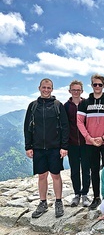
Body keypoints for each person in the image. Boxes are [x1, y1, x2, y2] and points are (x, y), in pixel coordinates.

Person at [24, 78, 69, 218]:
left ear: (52, 89)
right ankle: (42, 202)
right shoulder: (33, 106)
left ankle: (58, 202)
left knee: (56, 175)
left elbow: (65, 127)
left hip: (55, 147)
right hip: (38, 147)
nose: (46, 90)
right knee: (42, 175)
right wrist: (28, 146)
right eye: (44, 87)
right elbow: (27, 128)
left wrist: (64, 146)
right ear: (39, 88)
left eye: (49, 88)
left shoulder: (57, 105)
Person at [77, 74, 104, 210]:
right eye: (95, 84)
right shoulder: (84, 103)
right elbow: (79, 122)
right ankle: (96, 197)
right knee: (94, 170)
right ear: (92, 85)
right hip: (91, 143)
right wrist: (89, 138)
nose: (97, 87)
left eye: (100, 84)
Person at [64, 80, 90, 207]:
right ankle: (76, 194)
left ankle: (85, 193)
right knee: (74, 170)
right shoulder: (66, 106)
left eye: (78, 90)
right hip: (72, 143)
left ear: (82, 91)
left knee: (86, 169)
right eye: (73, 90)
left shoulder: (86, 104)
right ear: (70, 91)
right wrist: (64, 144)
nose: (76, 92)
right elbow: (63, 126)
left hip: (86, 143)